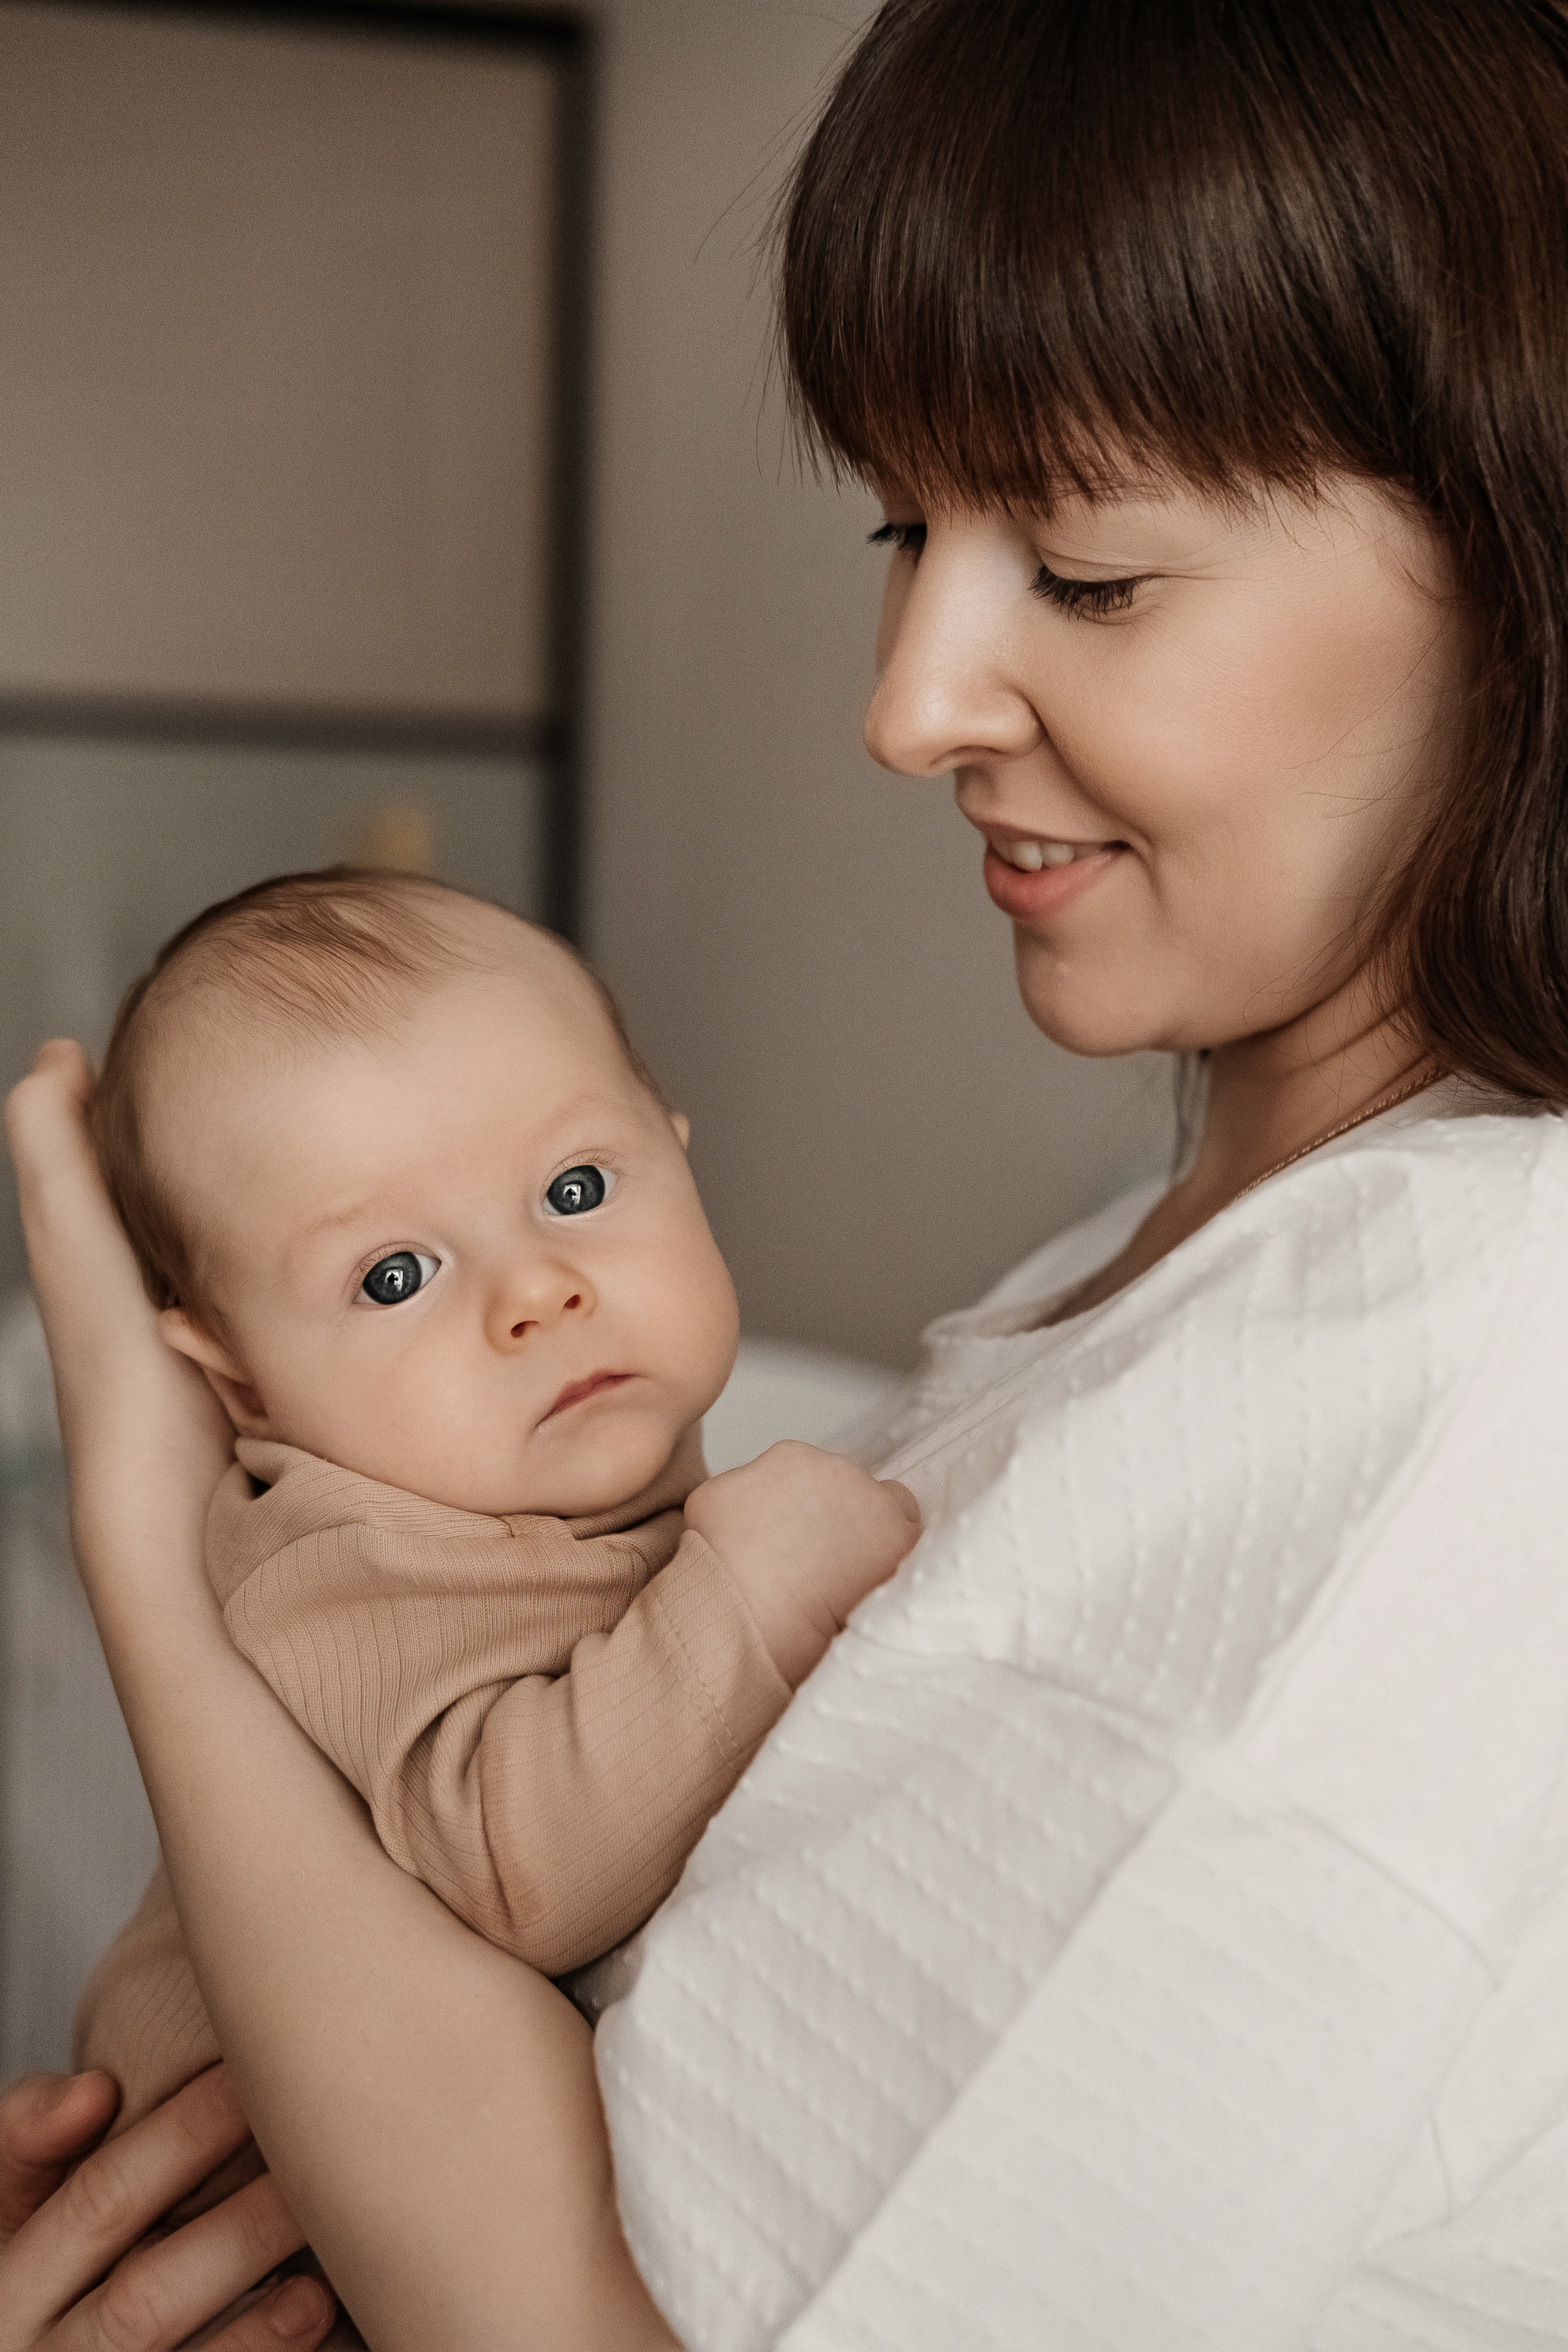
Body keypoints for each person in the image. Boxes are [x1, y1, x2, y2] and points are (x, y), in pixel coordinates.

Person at [6, 0, 1568, 2343]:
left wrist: (147, 1554)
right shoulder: (1127, 1289)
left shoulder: (1466, 1365)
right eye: (910, 523)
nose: (905, 701)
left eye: (1091, 568)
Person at [67, 865, 916, 2156]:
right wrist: (748, 1600)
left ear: (677, 1160)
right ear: (244, 1385)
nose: (535, 1291)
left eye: (576, 1190)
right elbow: (513, 1868)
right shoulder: (342, 1553)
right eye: (394, 1275)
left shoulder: (536, 1499)